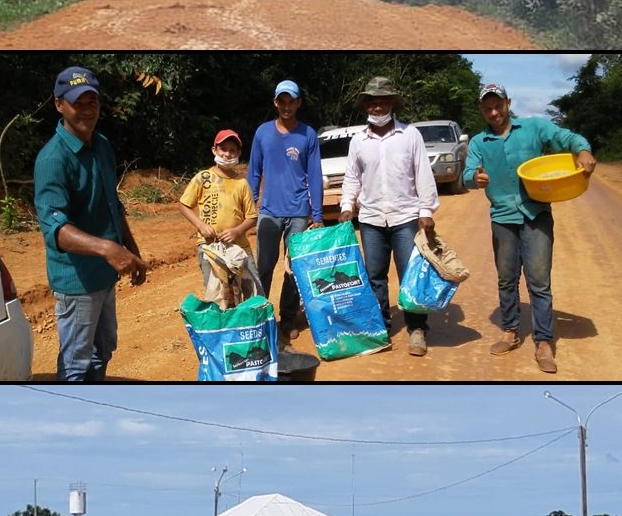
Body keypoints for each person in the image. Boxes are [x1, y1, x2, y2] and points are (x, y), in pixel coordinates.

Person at [462, 82, 596, 374]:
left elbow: (565, 137)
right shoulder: (478, 143)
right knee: (506, 280)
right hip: (502, 217)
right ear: (482, 111)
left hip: (536, 215)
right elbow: (467, 175)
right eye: (487, 109)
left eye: (498, 106)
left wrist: (583, 150)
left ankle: (544, 341)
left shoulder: (534, 128)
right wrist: (475, 177)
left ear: (508, 103)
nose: (494, 112)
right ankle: (510, 331)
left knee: (539, 282)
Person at [35, 66, 147, 382]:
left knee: (103, 349)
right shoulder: (52, 159)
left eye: (92, 102)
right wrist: (107, 248)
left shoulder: (102, 145)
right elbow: (54, 229)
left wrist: (131, 249)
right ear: (59, 105)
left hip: (104, 273)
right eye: (78, 103)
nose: (87, 110)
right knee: (75, 362)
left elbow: (112, 202)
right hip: (77, 280)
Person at [338, 77, 439, 357]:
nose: (378, 106)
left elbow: (422, 174)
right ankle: (380, 327)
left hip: (405, 217)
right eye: (372, 101)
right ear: (366, 105)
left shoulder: (410, 135)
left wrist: (426, 210)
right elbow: (352, 178)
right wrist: (348, 206)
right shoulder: (358, 141)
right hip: (371, 219)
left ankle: (417, 328)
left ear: (392, 103)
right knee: (374, 276)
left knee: (411, 276)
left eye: (383, 100)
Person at [248, 80, 324, 347]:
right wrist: (251, 204)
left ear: (299, 102)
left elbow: (315, 174)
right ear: (275, 103)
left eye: (291, 101)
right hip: (269, 211)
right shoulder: (262, 133)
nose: (287, 106)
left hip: (299, 212)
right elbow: (254, 171)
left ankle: (287, 318)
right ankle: (257, 315)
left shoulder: (308, 135)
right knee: (264, 266)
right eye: (282, 101)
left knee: (293, 268)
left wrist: (317, 214)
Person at [177, 130, 259, 301]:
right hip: (209, 246)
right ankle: (226, 327)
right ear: (214, 150)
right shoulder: (203, 178)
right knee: (218, 296)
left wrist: (237, 231)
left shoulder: (241, 183)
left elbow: (252, 217)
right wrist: (200, 226)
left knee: (253, 290)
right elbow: (184, 205)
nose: (227, 154)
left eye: (232, 150)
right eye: (223, 149)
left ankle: (254, 326)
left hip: (239, 247)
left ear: (238, 153)